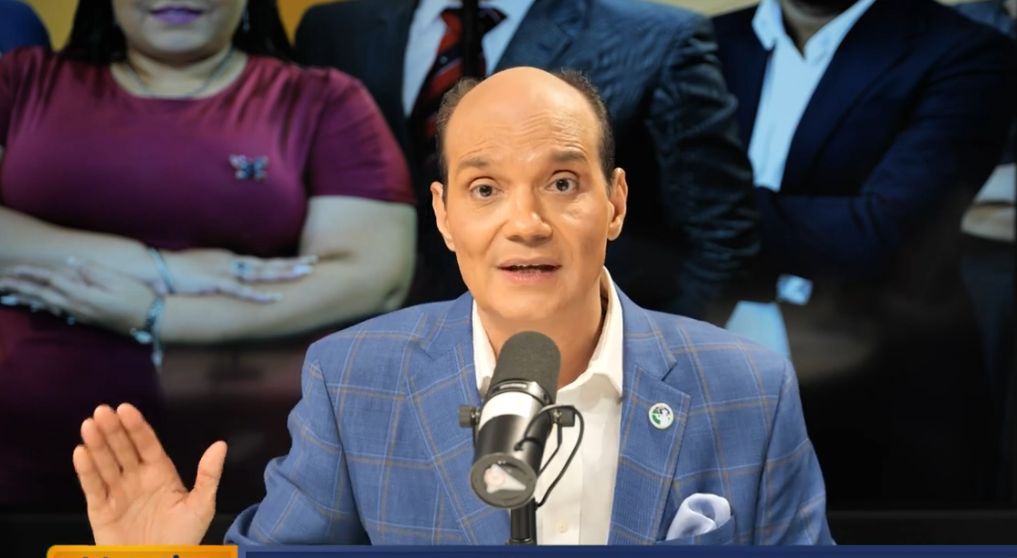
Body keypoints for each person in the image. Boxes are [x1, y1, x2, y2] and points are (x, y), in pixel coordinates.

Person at [71, 67, 832, 546]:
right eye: (485, 189)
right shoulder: (354, 379)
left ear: (616, 202)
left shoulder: (747, 389)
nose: (526, 222)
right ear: (442, 216)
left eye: (562, 183)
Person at [0, 0, 415, 510]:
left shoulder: (321, 99)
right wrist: (161, 267)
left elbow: (372, 275)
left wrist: (157, 313)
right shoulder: (21, 80)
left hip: (256, 462)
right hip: (23, 456)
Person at [713, 0, 1016, 503]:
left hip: (878, 401)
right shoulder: (697, 43)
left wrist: (690, 207)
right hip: (688, 375)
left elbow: (881, 233)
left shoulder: (967, 51)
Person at [294, 0, 759, 322]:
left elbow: (720, 233)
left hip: (583, 360)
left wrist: (645, 359)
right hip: (368, 349)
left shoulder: (655, 38)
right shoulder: (333, 31)